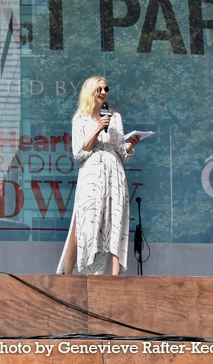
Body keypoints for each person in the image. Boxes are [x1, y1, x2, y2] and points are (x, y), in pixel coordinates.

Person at [56, 76, 140, 276]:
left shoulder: (115, 117)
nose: (103, 92)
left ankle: (114, 277)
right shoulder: (80, 119)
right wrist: (97, 128)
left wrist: (131, 145)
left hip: (114, 171)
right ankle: (67, 277)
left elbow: (121, 152)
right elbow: (79, 152)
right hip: (91, 172)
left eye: (106, 88)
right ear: (90, 92)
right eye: (99, 89)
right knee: (83, 221)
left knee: (115, 220)